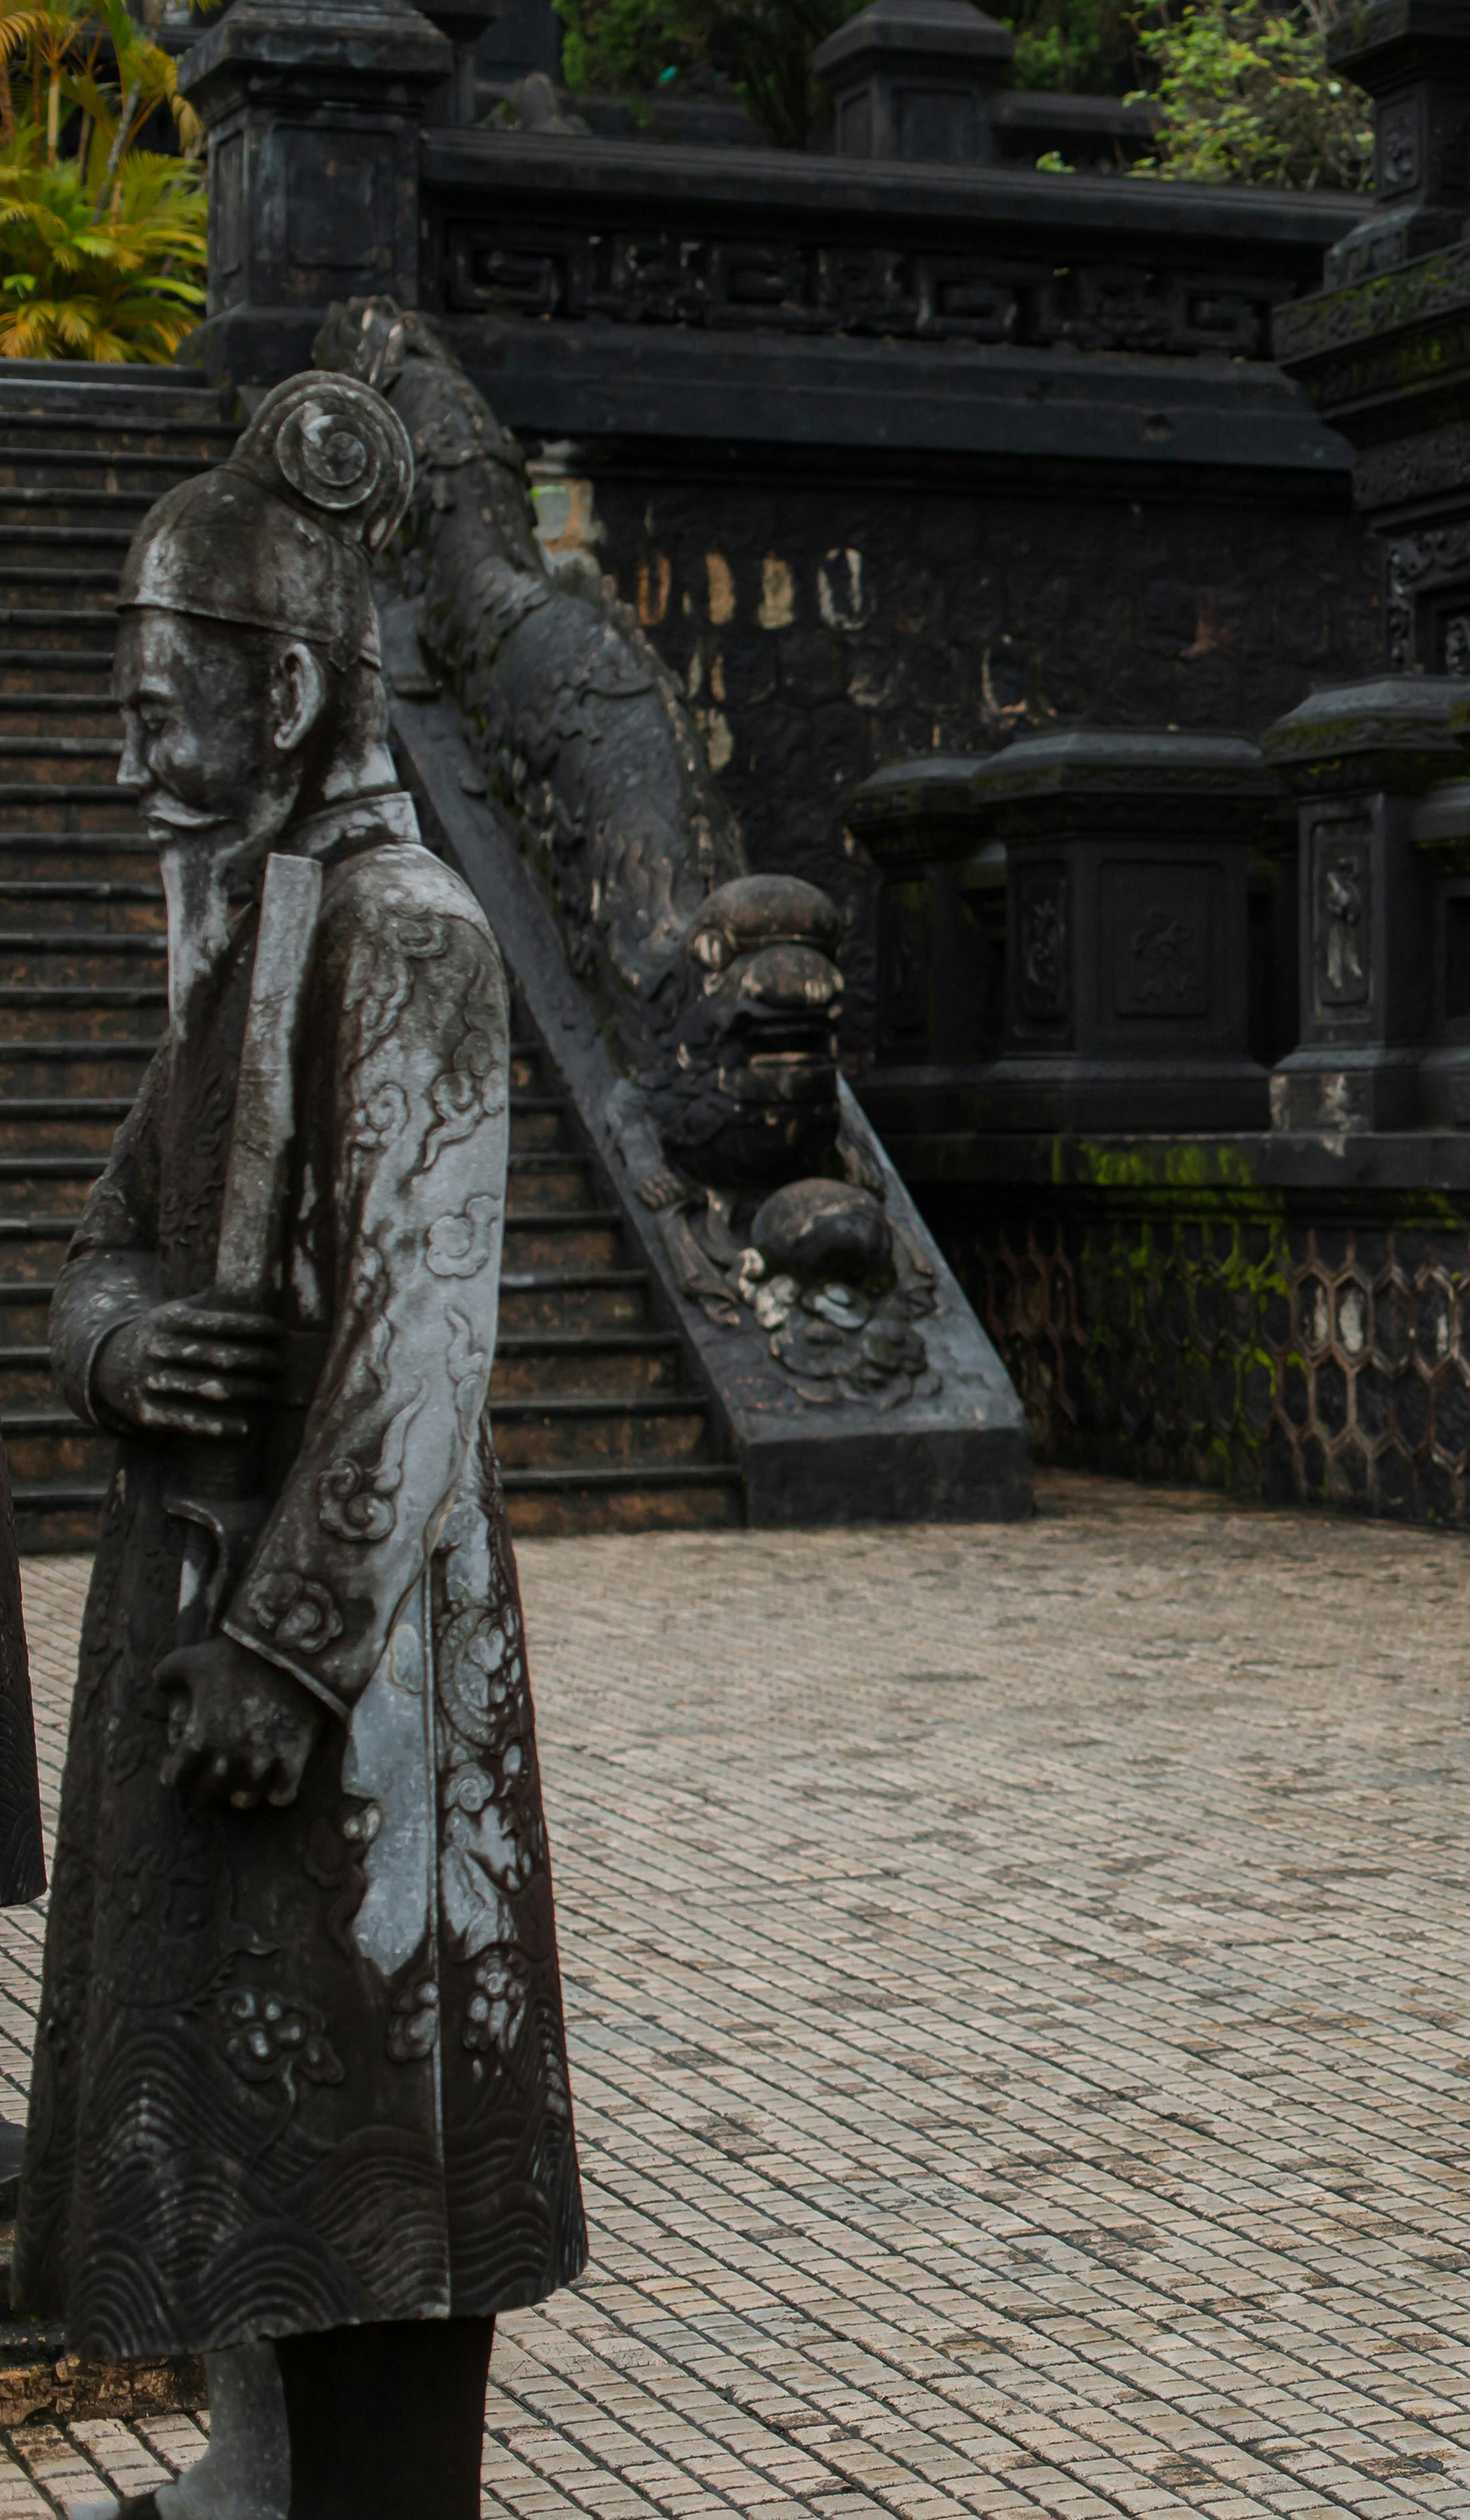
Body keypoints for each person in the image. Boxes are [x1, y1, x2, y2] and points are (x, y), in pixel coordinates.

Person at [29, 369, 584, 2520]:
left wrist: (285, 1650)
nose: (126, 746)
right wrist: (119, 1352)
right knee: (249, 2134)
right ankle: (243, 2471)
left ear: (279, 692)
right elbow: (105, 1245)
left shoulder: (409, 929)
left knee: (376, 2142)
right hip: (215, 1622)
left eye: (164, 696)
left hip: (352, 1696)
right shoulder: (247, 925)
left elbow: (423, 1346)